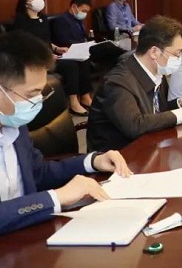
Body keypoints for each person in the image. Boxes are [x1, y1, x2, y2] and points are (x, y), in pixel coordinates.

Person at [0, 31, 131, 235]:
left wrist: (92, 161)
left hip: (27, 234)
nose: (37, 102)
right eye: (30, 95)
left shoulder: (13, 125)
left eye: (40, 93)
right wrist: (56, 197)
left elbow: (37, 173)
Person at [87, 16, 182, 152]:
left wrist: (181, 102)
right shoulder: (117, 83)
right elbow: (135, 126)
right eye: (176, 54)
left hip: (148, 146)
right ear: (154, 52)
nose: (179, 59)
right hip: (118, 156)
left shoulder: (156, 72)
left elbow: (155, 113)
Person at [12, 0, 92, 116]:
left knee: (82, 60)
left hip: (49, 55)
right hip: (34, 59)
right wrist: (47, 55)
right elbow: (24, 44)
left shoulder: (43, 18)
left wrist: (56, 48)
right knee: (70, 65)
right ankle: (73, 102)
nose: (39, 0)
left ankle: (85, 97)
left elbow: (47, 40)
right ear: (26, 3)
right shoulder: (21, 20)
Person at [51, 0, 125, 68]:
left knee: (111, 47)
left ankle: (124, 58)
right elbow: (65, 41)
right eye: (83, 11)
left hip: (85, 49)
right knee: (108, 48)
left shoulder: (77, 20)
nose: (85, 14)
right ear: (74, 7)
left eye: (86, 12)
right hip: (77, 51)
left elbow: (84, 37)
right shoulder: (62, 20)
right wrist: (84, 45)